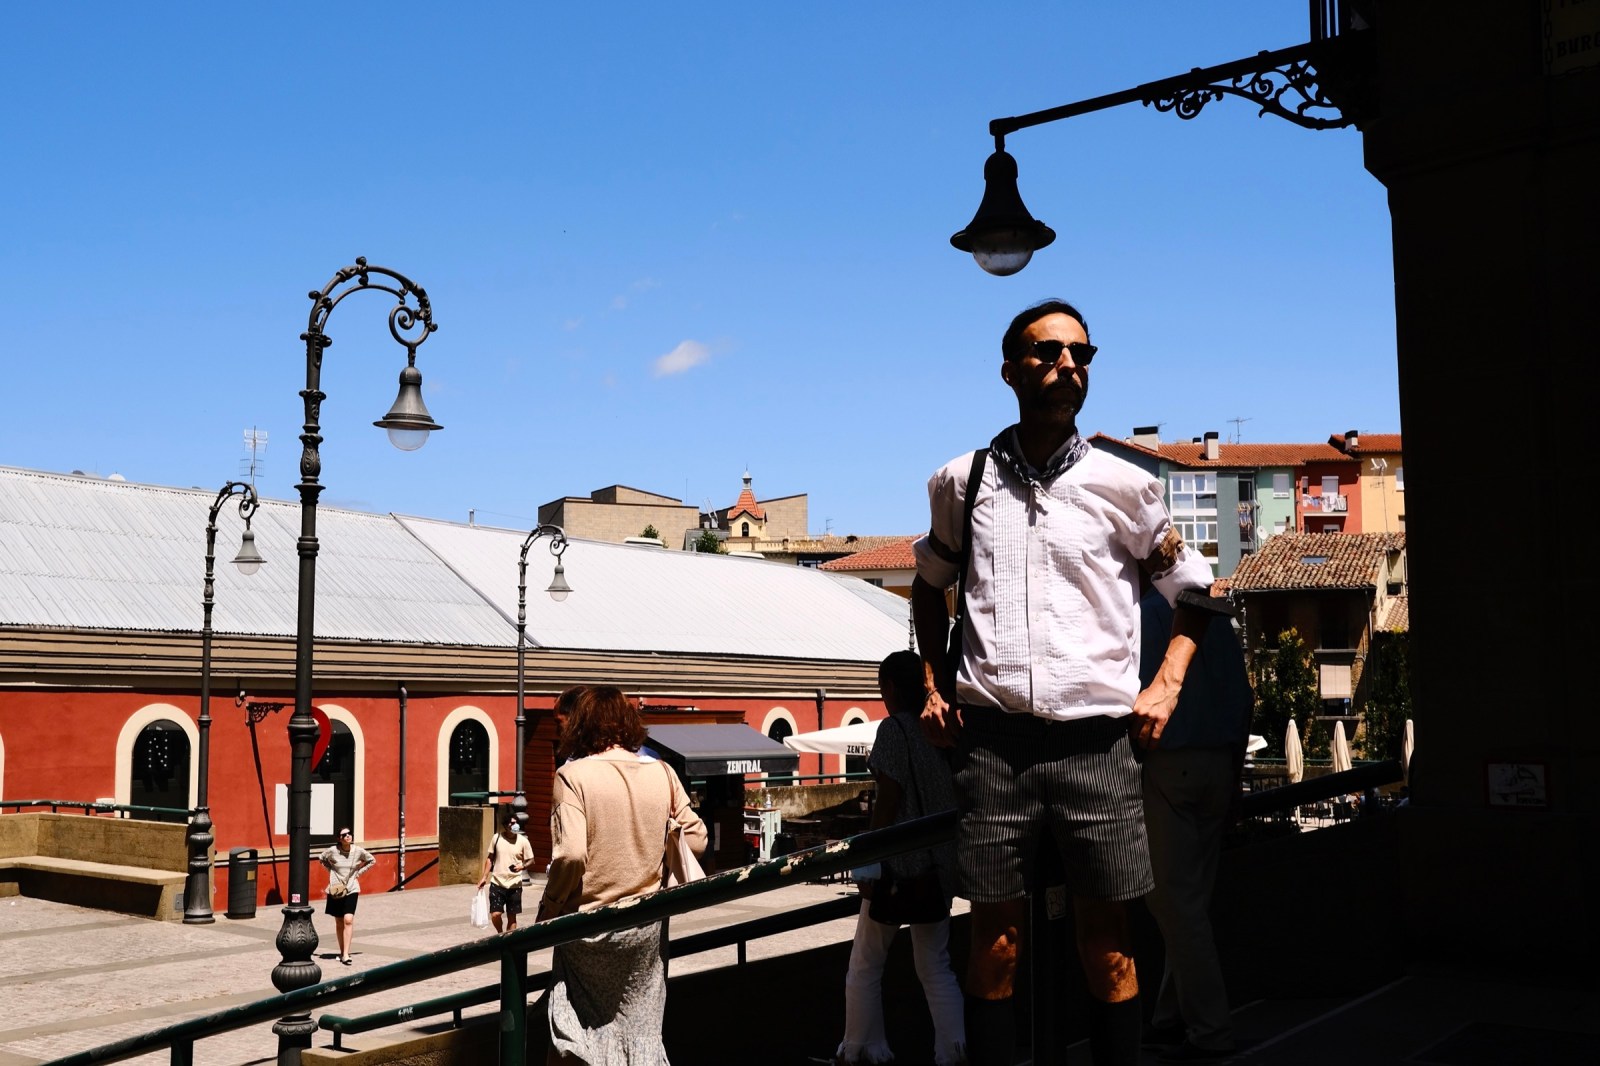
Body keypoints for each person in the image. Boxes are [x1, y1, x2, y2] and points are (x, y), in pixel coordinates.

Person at [911, 299, 1220, 1066]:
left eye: (1080, 355)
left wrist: (1168, 683)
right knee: (997, 943)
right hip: (993, 748)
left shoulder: (1128, 488)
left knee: (1108, 946)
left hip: (1099, 746)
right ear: (1010, 369)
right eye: (1048, 354)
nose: (1067, 368)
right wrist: (931, 684)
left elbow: (1196, 593)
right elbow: (927, 587)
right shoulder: (962, 482)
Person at [534, 685, 707, 1064]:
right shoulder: (662, 771)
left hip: (589, 931)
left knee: (576, 1031)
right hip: (645, 929)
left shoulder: (572, 776)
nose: (560, 731)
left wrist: (549, 908)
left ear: (580, 723)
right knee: (640, 1029)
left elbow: (572, 855)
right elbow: (697, 838)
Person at [837, 650, 966, 1066]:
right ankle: (953, 1052)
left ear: (890, 688)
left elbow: (889, 798)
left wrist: (871, 854)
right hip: (938, 867)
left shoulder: (894, 730)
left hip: (899, 868)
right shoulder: (939, 728)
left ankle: (861, 1048)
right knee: (935, 966)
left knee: (866, 963)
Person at [1138, 587, 1251, 1062]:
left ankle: (1211, 1032)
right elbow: (1244, 699)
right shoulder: (1214, 619)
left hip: (1171, 766)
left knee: (1174, 906)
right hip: (1219, 767)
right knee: (1189, 904)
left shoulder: (1143, 614)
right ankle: (1168, 1019)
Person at [318, 827, 376, 966]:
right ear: (339, 838)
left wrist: (358, 873)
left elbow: (371, 860)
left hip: (352, 888)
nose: (348, 836)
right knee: (339, 922)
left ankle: (345, 954)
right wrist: (331, 871)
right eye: (344, 835)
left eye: (350, 834)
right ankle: (342, 950)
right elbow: (321, 858)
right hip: (336, 889)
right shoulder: (333, 850)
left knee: (348, 920)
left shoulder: (357, 851)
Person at [478, 809, 536, 935]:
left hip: (514, 884)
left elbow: (531, 860)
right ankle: (500, 934)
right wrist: (484, 877)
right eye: (510, 823)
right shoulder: (497, 838)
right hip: (497, 883)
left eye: (515, 822)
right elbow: (490, 858)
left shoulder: (523, 841)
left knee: (512, 917)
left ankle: (509, 940)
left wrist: (523, 866)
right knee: (495, 914)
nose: (513, 825)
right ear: (505, 825)